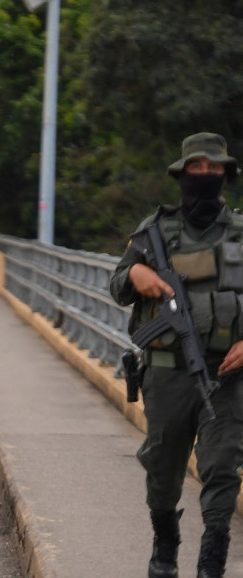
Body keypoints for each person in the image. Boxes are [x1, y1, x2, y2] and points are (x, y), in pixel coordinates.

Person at [108, 132, 243, 578]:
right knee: (162, 470)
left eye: (214, 167)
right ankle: (165, 548)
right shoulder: (154, 232)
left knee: (222, 468)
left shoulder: (241, 232)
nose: (205, 175)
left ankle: (211, 565)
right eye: (196, 168)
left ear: (226, 173)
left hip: (226, 377)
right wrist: (138, 271)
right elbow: (116, 286)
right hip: (166, 374)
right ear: (183, 173)